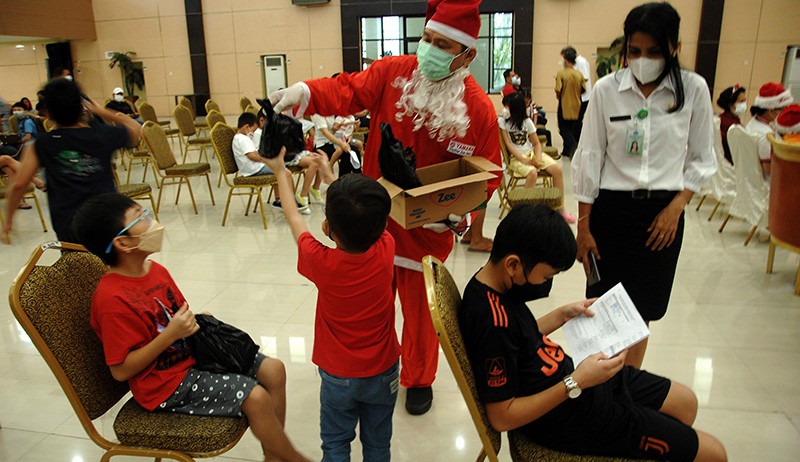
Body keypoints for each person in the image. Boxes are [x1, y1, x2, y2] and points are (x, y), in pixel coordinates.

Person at [268, 0, 501, 415]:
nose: (428, 49)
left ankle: (418, 378)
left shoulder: (478, 110)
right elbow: (347, 90)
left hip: (428, 231)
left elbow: (489, 174)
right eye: (426, 39)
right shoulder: (393, 73)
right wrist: (305, 92)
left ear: (467, 55)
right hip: (372, 224)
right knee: (365, 308)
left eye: (441, 44)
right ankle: (369, 368)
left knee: (421, 316)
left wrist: (459, 215)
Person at [459, 204, 727, 462]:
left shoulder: (491, 286)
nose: (545, 284)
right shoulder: (490, 321)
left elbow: (516, 340)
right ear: (513, 265)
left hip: (580, 383)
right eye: (544, 277)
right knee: (714, 454)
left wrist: (563, 314)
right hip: (570, 418)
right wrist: (576, 381)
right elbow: (502, 416)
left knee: (686, 403)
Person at [70, 193, 311, 462]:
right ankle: (295, 459)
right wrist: (171, 334)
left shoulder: (156, 270)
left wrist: (192, 321)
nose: (151, 222)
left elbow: (174, 316)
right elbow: (121, 369)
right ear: (123, 243)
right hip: (164, 385)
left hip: (192, 357)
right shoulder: (112, 299)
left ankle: (274, 457)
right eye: (140, 218)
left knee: (274, 370)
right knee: (256, 397)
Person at [571, 2, 717, 369]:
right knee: (603, 305)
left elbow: (702, 158)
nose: (642, 59)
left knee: (641, 311)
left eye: (653, 51)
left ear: (674, 48)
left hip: (662, 216)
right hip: (609, 214)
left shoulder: (693, 90)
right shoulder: (606, 90)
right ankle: (602, 386)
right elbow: (589, 156)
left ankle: (628, 388)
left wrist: (676, 207)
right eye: (634, 51)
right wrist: (584, 227)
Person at [265, 149, 400, 461]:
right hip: (383, 369)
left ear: (327, 229)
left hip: (338, 374)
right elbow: (362, 215)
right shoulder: (386, 246)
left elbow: (294, 216)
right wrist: (329, 177)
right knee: (379, 445)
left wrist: (280, 173)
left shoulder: (320, 261)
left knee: (336, 444)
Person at [3, 77, 142, 243]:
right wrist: (101, 111)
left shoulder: (43, 143)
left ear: (48, 113)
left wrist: (9, 220)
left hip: (69, 227)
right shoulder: (102, 135)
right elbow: (136, 129)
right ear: (81, 107)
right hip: (107, 222)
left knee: (76, 266)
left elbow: (19, 185)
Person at [500, 92, 575, 223]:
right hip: (516, 158)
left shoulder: (527, 122)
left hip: (531, 153)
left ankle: (560, 207)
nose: (507, 110)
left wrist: (538, 158)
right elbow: (508, 145)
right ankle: (521, 210)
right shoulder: (503, 122)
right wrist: (523, 159)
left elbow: (536, 144)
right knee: (533, 173)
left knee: (557, 170)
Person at [746, 82, 793, 178]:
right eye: (784, 110)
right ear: (771, 111)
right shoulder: (766, 135)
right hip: (768, 183)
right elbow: (769, 169)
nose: (786, 113)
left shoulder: (753, 123)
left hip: (751, 179)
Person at [555, 48, 586, 158]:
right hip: (577, 104)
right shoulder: (579, 75)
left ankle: (574, 146)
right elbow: (583, 90)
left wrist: (561, 96)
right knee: (572, 128)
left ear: (566, 60)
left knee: (563, 128)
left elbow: (558, 90)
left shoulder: (561, 74)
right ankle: (567, 151)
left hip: (564, 104)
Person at [562, 46, 593, 129]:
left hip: (583, 97)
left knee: (577, 120)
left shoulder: (581, 62)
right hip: (576, 97)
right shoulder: (574, 64)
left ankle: (577, 140)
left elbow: (585, 77)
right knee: (573, 121)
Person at [716, 84, 747, 164]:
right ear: (731, 105)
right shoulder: (732, 125)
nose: (745, 104)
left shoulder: (722, 118)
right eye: (741, 101)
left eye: (745, 100)